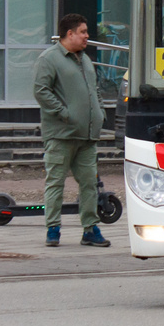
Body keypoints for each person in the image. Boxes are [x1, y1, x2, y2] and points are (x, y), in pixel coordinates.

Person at [33, 14, 109, 247]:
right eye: (83, 31)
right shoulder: (49, 59)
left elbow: (94, 89)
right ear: (70, 34)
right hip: (61, 135)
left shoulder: (85, 59)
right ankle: (53, 229)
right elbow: (41, 90)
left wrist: (100, 112)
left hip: (87, 135)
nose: (87, 36)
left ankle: (90, 229)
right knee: (55, 182)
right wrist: (64, 113)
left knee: (89, 184)